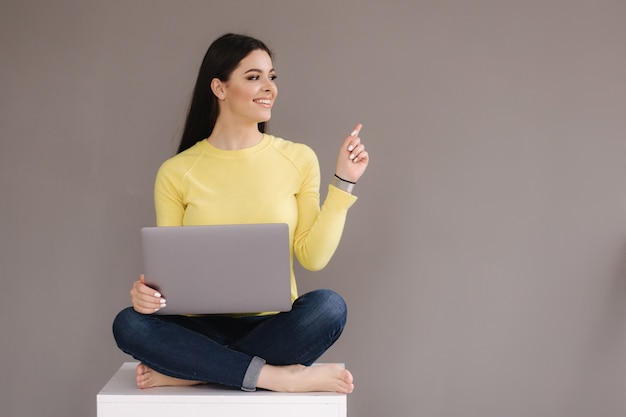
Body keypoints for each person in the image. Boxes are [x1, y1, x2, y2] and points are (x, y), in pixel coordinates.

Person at [112, 33, 369, 394]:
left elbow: (314, 257)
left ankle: (195, 371)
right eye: (254, 77)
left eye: (271, 77)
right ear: (219, 87)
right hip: (200, 327)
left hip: (273, 325)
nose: (269, 88)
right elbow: (169, 273)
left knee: (329, 306)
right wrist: (147, 294)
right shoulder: (177, 171)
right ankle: (274, 377)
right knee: (129, 324)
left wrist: (344, 182)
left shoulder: (298, 158)